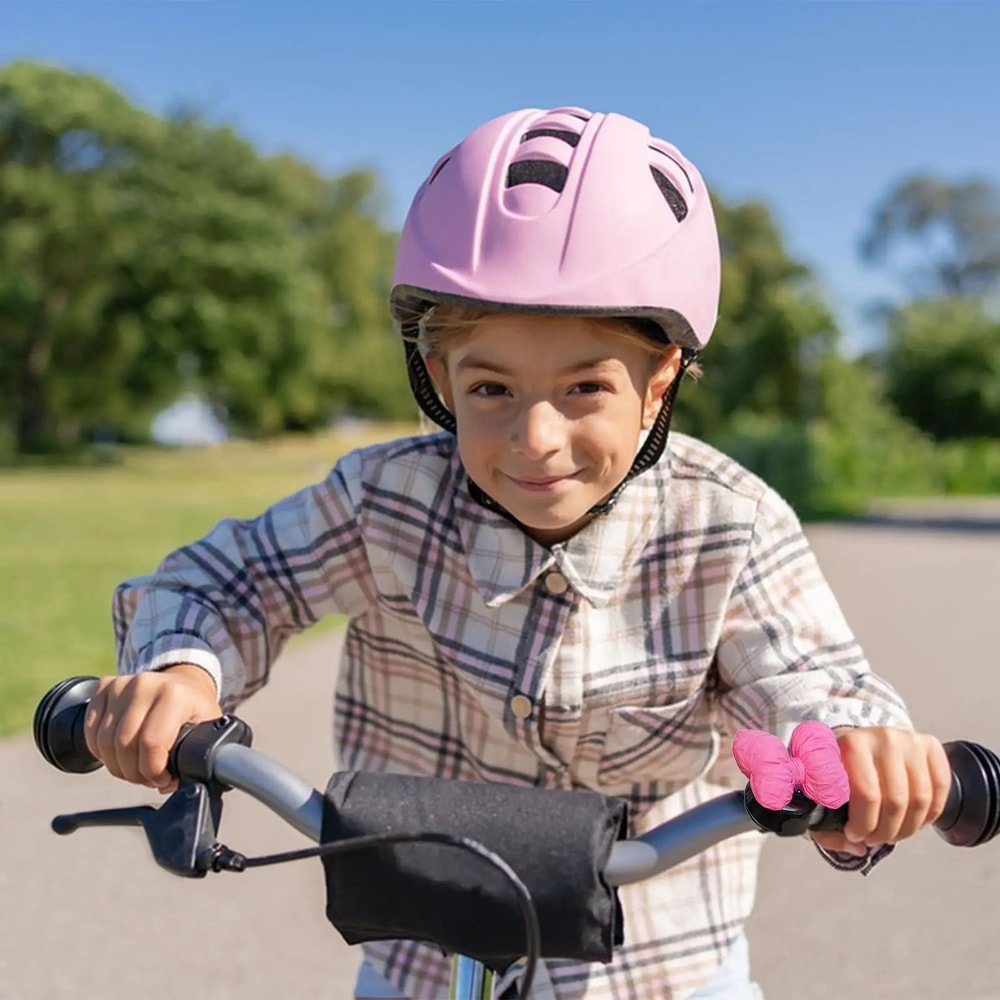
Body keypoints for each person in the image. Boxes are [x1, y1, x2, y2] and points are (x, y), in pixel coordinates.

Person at [84, 106, 952, 1000]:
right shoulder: (385, 500)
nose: (536, 437)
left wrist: (856, 757)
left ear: (657, 387)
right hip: (425, 945)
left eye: (585, 387)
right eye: (491, 386)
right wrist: (181, 676)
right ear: (439, 380)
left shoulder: (726, 526)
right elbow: (234, 581)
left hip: (657, 964)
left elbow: (804, 672)